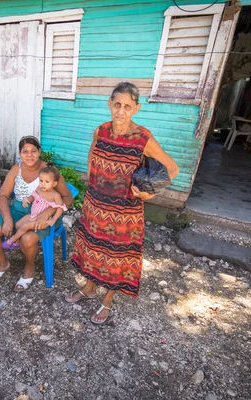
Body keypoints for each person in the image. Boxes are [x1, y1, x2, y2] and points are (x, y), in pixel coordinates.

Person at [66, 82, 179, 325]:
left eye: (127, 106)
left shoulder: (143, 138)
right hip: (96, 205)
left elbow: (172, 168)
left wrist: (150, 195)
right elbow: (92, 153)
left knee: (115, 258)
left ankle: (107, 300)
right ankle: (88, 289)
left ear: (136, 109)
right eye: (117, 104)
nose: (121, 111)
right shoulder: (101, 131)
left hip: (124, 213)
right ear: (110, 104)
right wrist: (92, 182)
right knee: (93, 250)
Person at [0, 136, 74, 292]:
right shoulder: (16, 169)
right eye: (25, 151)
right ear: (20, 154)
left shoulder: (49, 171)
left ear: (39, 152)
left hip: (44, 214)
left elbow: (67, 198)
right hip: (17, 210)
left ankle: (29, 267)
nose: (30, 155)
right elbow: (2, 195)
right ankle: (2, 263)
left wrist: (49, 211)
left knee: (28, 239)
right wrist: (7, 218)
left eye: (33, 151)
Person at [1, 163, 67, 250]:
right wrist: (27, 199)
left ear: (54, 184)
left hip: (43, 221)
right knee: (18, 224)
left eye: (47, 182)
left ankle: (12, 240)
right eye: (41, 181)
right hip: (33, 215)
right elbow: (33, 196)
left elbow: (60, 208)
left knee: (25, 226)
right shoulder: (39, 189)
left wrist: (53, 219)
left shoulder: (55, 195)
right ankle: (17, 243)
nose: (43, 184)